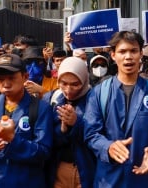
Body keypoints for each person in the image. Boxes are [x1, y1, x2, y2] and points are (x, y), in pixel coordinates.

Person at [84, 31, 148, 187]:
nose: (128, 56)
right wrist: (108, 147)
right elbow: (91, 134)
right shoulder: (99, 92)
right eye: (122, 51)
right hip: (108, 179)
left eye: (133, 51)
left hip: (143, 177)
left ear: (141, 54)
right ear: (113, 55)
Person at [0, 54, 53, 188]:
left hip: (26, 182)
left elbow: (44, 153)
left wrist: (13, 140)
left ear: (25, 77)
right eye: (0, 79)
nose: (6, 84)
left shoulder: (41, 108)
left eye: (11, 78)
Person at [43, 57, 95, 188]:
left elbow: (98, 135)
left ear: (84, 80)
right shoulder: (51, 99)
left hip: (86, 170)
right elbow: (45, 138)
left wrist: (76, 123)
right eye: (63, 83)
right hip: (58, 170)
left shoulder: (96, 99)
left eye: (75, 84)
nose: (68, 90)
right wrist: (62, 129)